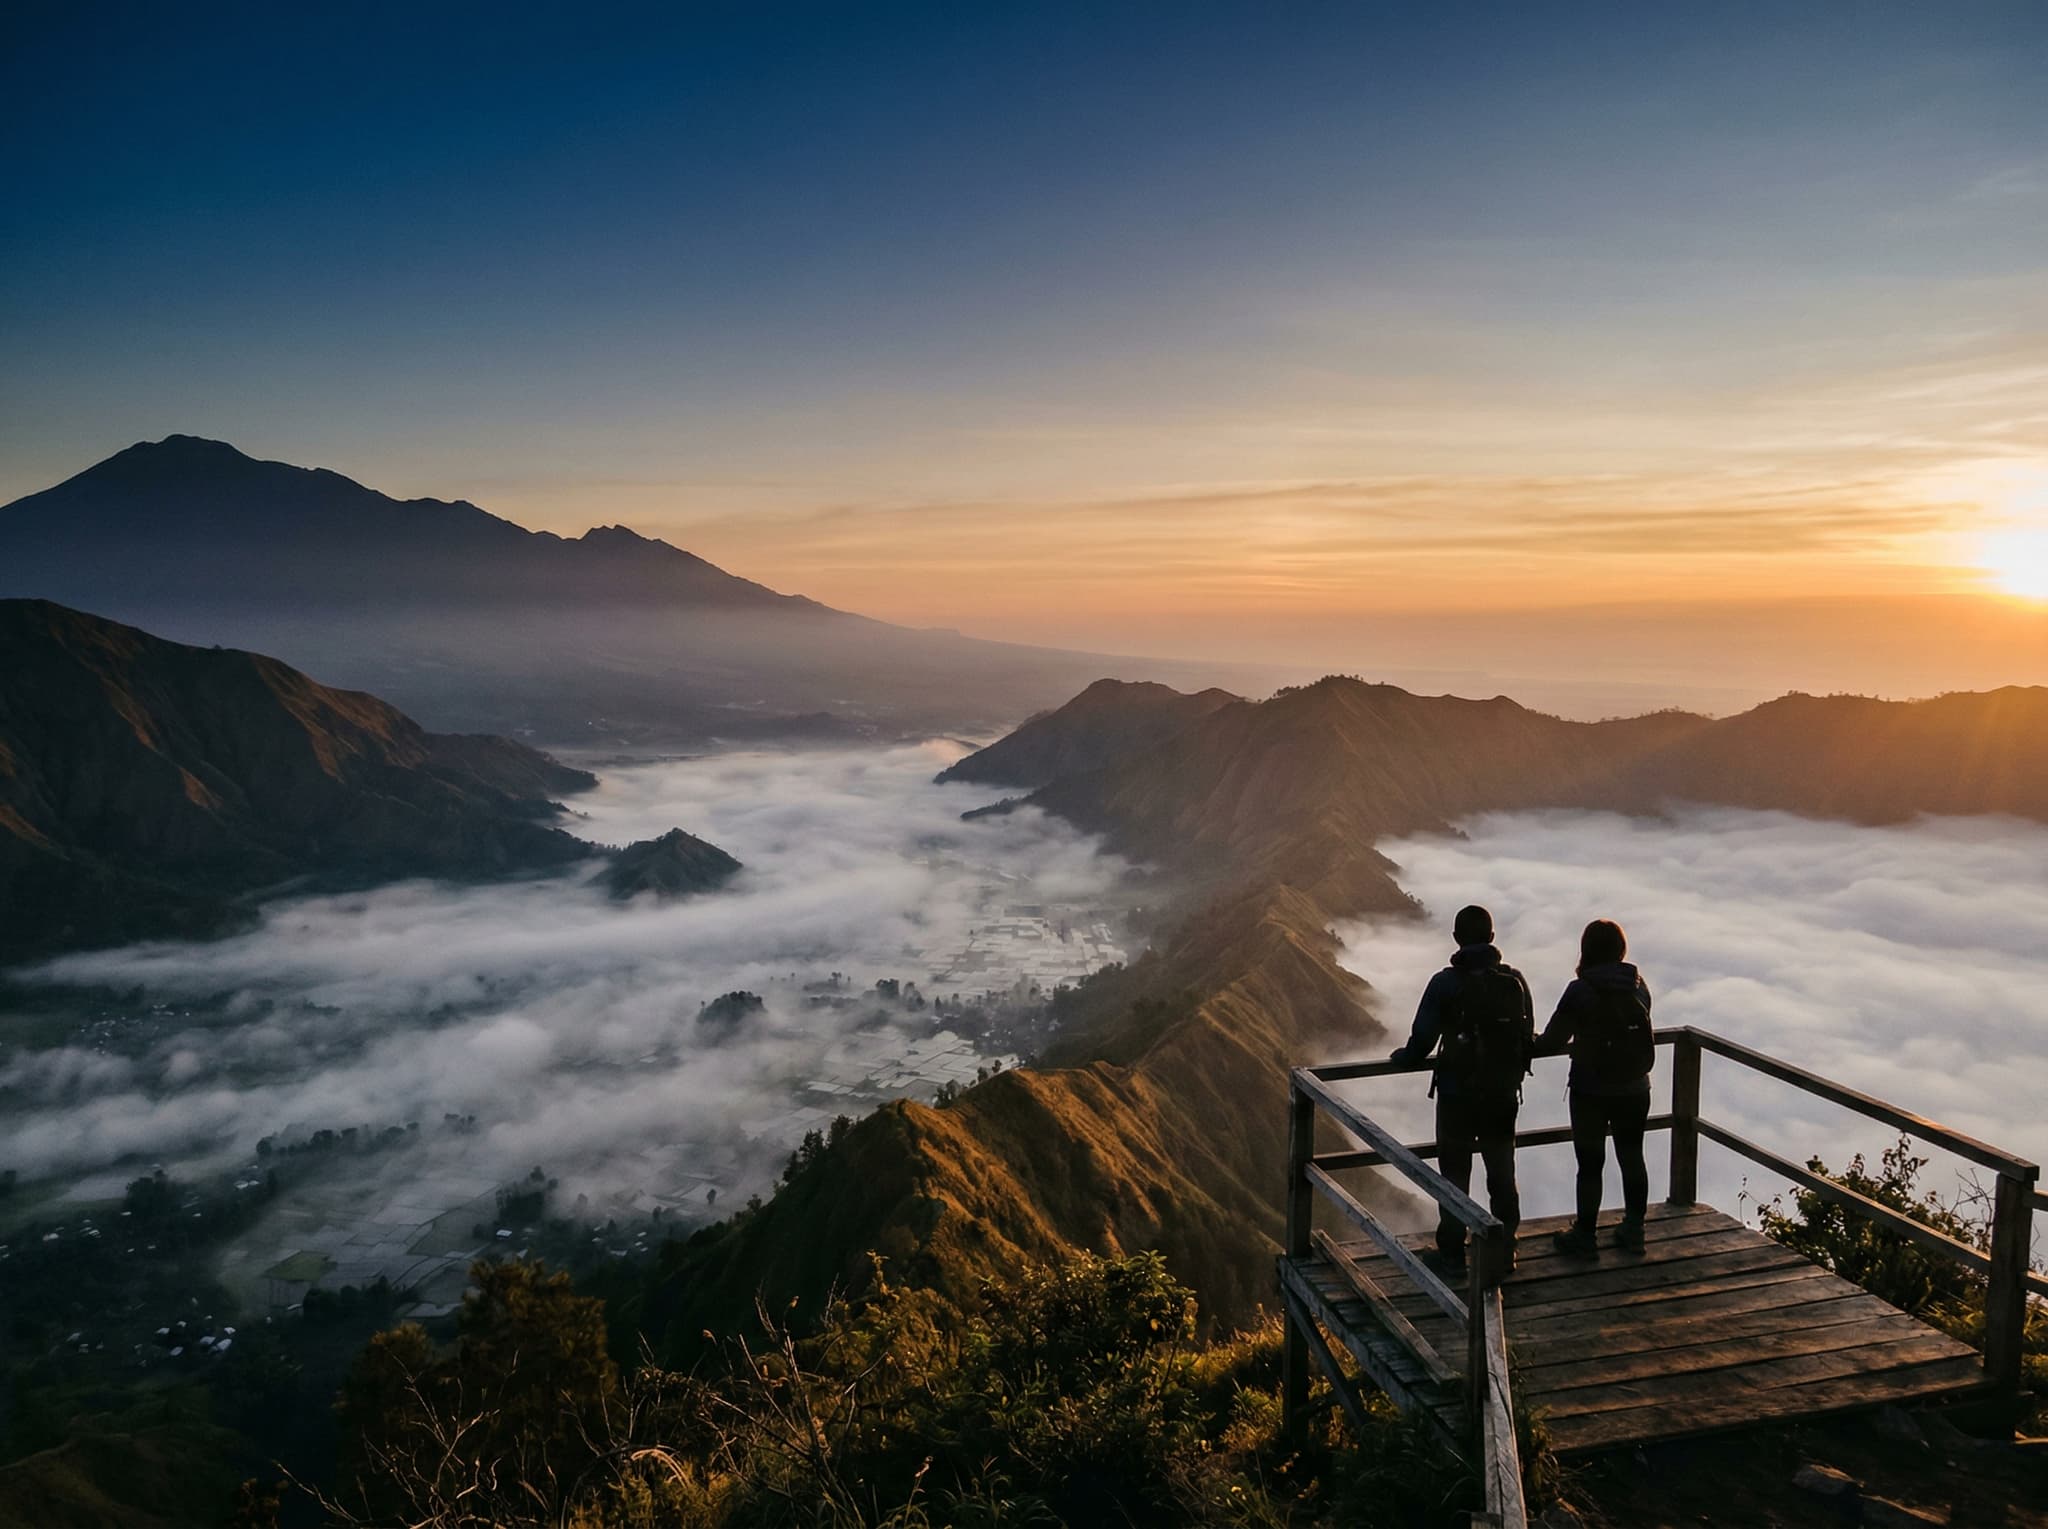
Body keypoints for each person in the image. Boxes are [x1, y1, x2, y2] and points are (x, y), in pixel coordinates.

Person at [1389, 904, 1534, 1274]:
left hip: (1457, 1096)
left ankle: (1452, 1252)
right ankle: (1504, 1250)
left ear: (1456, 939)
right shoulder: (1514, 981)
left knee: (1455, 1176)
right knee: (1502, 1173)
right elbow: (1526, 1035)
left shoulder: (1445, 983)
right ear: (1492, 938)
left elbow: (1422, 1039)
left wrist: (1403, 1057)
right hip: (1502, 1095)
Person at [1537, 918, 1656, 1257]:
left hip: (1590, 1089)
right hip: (1635, 1087)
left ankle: (1585, 1235)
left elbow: (1552, 1040)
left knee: (1590, 1163)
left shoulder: (1580, 990)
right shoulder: (1638, 985)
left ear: (1586, 950)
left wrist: (1529, 1044)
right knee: (1633, 1157)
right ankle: (1634, 1230)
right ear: (1622, 949)